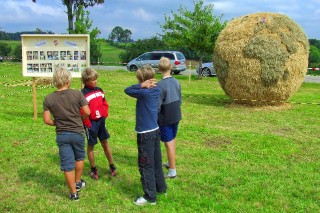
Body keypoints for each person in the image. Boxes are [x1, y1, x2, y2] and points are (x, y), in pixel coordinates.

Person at [43, 67, 90, 201]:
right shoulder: (77, 94)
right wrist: (80, 120)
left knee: (67, 164)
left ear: (54, 81)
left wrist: (57, 123)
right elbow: (87, 112)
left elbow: (47, 120)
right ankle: (78, 182)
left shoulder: (48, 99)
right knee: (79, 158)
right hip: (77, 132)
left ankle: (74, 193)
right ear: (68, 81)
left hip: (62, 134)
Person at [124, 65, 167, 206]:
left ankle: (150, 197)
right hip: (155, 130)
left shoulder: (143, 92)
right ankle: (161, 188)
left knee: (145, 164)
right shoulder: (156, 89)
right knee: (156, 162)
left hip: (145, 134)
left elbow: (127, 90)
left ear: (141, 79)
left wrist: (141, 85)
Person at [81, 68, 117, 179]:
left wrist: (104, 113)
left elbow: (104, 103)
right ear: (86, 81)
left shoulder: (99, 90)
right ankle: (93, 169)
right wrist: (87, 123)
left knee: (105, 143)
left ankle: (112, 165)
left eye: (96, 79)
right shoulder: (82, 94)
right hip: (91, 123)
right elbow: (82, 111)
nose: (95, 81)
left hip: (101, 121)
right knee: (91, 145)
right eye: (93, 80)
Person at [157, 57, 182, 178]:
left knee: (168, 143)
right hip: (176, 115)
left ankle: (172, 171)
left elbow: (157, 105)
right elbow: (180, 98)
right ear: (171, 68)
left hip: (165, 117)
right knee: (172, 139)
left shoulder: (159, 85)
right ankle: (170, 162)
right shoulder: (177, 81)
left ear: (159, 69)